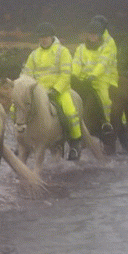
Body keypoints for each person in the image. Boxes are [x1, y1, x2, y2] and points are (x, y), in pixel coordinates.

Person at [23, 22, 83, 160]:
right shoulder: (33, 55)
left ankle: (75, 142)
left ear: (51, 37)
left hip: (59, 91)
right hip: (38, 92)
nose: (43, 40)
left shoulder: (63, 52)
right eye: (41, 37)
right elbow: (27, 74)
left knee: (70, 111)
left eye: (46, 37)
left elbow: (66, 74)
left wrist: (56, 89)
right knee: (18, 109)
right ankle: (22, 141)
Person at [71, 15, 119, 134]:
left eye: (95, 34)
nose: (92, 36)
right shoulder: (81, 48)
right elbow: (76, 62)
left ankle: (106, 122)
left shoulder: (106, 46)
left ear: (100, 34)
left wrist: (93, 75)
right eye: (90, 34)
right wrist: (74, 75)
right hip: (83, 78)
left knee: (105, 98)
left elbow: (103, 64)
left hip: (101, 78)